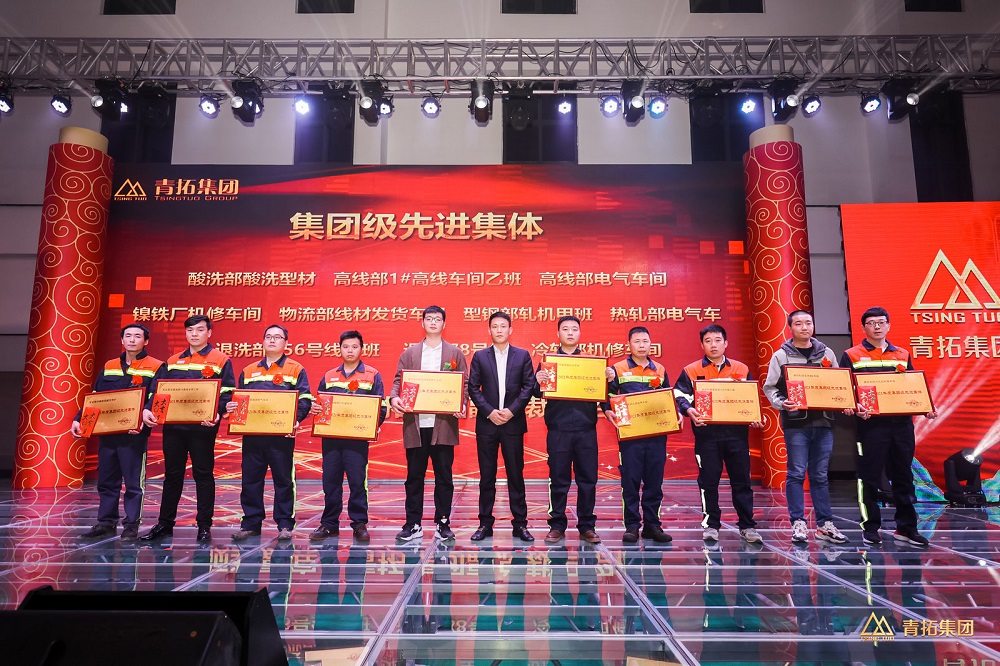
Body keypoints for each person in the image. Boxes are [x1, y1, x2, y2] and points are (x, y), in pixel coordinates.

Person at [840, 306, 937, 547]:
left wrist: (925, 406)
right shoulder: (851, 354)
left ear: (888, 325)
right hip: (870, 426)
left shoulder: (902, 354)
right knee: (869, 477)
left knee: (904, 476)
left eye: (881, 322)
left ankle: (906, 528)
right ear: (863, 328)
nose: (877, 327)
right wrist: (853, 406)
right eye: (871, 323)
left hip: (902, 425)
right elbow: (845, 389)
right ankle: (870, 527)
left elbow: (913, 386)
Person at [141, 314, 235, 542]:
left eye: (200, 330)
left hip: (203, 427)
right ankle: (165, 524)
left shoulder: (220, 360)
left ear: (209, 333)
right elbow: (158, 390)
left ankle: (204, 525)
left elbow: (227, 392)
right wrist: (147, 409)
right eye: (190, 330)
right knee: (172, 475)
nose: (194, 334)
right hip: (174, 427)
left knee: (203, 474)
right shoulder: (173, 360)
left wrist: (217, 412)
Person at [763, 310, 851, 545]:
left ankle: (825, 524)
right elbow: (770, 387)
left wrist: (845, 402)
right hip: (796, 424)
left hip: (823, 422)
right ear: (790, 328)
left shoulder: (827, 353)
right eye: (799, 323)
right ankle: (798, 523)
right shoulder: (781, 355)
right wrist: (782, 403)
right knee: (796, 473)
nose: (804, 327)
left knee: (820, 475)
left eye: (808, 323)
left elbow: (839, 384)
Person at [72, 323, 165, 542]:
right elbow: (96, 396)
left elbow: (156, 395)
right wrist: (79, 420)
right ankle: (106, 523)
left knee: (133, 483)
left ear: (146, 341)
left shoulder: (156, 366)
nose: (132, 340)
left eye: (137, 336)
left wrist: (146, 413)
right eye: (128, 336)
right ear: (122, 340)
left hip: (134, 434)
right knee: (106, 481)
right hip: (109, 432)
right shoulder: (110, 365)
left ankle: (131, 525)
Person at [673, 324, 763, 544]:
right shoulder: (691, 370)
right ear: (702, 345)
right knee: (708, 482)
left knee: (742, 482)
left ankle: (747, 526)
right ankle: (711, 525)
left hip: (737, 436)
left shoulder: (741, 369)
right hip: (707, 437)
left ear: (726, 343)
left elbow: (751, 398)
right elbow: (679, 395)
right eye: (708, 341)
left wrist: (755, 415)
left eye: (717, 340)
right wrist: (688, 410)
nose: (713, 345)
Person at [388, 305, 468, 542]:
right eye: (429, 318)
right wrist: (393, 398)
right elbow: (398, 381)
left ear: (444, 324)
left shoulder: (454, 353)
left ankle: (443, 523)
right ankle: (413, 524)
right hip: (416, 424)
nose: (433, 322)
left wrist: (462, 403)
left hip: (443, 425)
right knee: (414, 477)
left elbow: (463, 384)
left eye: (438, 319)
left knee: (444, 477)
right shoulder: (410, 353)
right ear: (422, 323)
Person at [228, 325, 313, 542]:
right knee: (250, 480)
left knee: (283, 481)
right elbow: (240, 400)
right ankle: (251, 523)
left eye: (277, 337)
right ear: (263, 341)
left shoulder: (295, 369)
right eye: (268, 337)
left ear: (286, 343)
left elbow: (304, 399)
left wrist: (295, 421)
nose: (272, 340)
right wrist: (233, 408)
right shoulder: (248, 371)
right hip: (253, 436)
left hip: (281, 437)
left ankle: (285, 524)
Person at [309, 330, 386, 543]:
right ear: (339, 349)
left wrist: (371, 426)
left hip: (357, 440)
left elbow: (381, 407)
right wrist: (316, 409)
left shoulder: (372, 375)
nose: (350, 350)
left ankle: (359, 524)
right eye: (345, 347)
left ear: (362, 349)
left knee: (357, 482)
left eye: (354, 346)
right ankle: (329, 524)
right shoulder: (329, 376)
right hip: (331, 439)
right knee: (330, 482)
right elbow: (320, 404)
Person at [467, 311, 537, 543]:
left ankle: (520, 524)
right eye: (495, 326)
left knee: (515, 475)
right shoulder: (480, 356)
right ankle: (485, 523)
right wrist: (489, 412)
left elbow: (529, 386)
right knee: (487, 476)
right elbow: (473, 387)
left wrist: (511, 411)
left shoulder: (522, 355)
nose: (499, 330)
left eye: (503, 326)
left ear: (510, 330)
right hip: (487, 425)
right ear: (489, 330)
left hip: (512, 424)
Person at [601, 326, 672, 544]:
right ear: (629, 345)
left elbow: (668, 398)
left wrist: (675, 414)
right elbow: (607, 395)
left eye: (645, 341)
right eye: (637, 341)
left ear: (651, 344)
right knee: (630, 481)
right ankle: (631, 526)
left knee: (654, 481)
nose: (641, 345)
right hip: (630, 435)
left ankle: (652, 525)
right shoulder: (618, 368)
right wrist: (608, 410)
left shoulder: (660, 369)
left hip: (656, 434)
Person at [535, 316, 602, 545]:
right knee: (558, 479)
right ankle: (557, 525)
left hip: (586, 430)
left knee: (588, 480)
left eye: (574, 329)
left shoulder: (591, 363)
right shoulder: (549, 362)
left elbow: (603, 392)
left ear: (580, 333)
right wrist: (538, 380)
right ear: (558, 334)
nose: (570, 333)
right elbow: (536, 392)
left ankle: (587, 526)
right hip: (558, 429)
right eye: (565, 329)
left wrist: (608, 379)